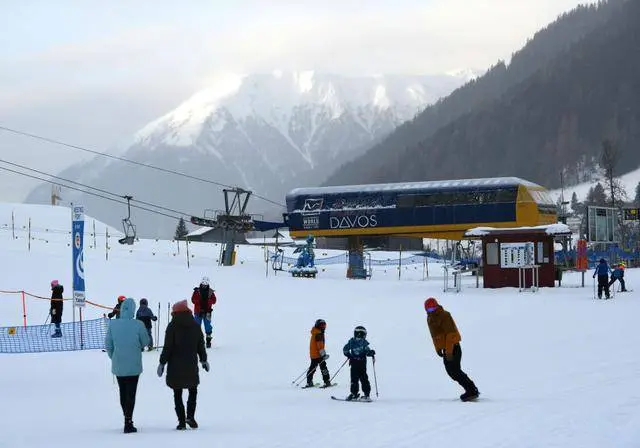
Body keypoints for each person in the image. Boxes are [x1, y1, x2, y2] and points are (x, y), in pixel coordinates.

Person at [157, 300, 209, 430]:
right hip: (191, 365)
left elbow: (167, 348)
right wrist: (203, 360)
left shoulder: (172, 326)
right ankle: (190, 416)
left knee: (177, 393)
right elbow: (200, 345)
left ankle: (181, 421)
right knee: (193, 391)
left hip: (175, 366)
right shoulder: (195, 326)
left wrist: (162, 363)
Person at [105, 298, 150, 434]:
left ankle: (126, 417)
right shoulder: (138, 324)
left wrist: (113, 356)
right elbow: (145, 341)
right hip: (134, 365)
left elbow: (108, 344)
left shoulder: (113, 325)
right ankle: (128, 420)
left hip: (119, 365)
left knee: (123, 392)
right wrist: (137, 347)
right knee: (131, 393)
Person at [425, 297, 479, 402]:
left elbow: (450, 334)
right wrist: (438, 348)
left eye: (432, 309)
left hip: (453, 346)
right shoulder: (430, 319)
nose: (431, 311)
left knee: (455, 371)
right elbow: (435, 335)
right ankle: (471, 389)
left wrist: (449, 351)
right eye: (428, 310)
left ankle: (471, 390)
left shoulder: (444, 315)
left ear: (436, 306)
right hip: (445, 349)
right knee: (451, 372)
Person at [342, 325, 375, 401]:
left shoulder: (352, 342)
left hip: (355, 363)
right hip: (361, 363)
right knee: (363, 378)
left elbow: (345, 349)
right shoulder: (363, 343)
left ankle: (355, 394)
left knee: (354, 379)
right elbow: (367, 352)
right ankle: (365, 394)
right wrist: (371, 353)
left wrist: (349, 355)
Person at [191, 277, 217, 348]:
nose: (204, 286)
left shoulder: (211, 292)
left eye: (205, 285)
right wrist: (199, 302)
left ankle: (208, 340)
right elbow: (193, 300)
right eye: (203, 285)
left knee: (208, 326)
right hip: (198, 312)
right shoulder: (197, 291)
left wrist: (209, 301)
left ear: (208, 284)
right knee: (196, 326)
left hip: (208, 312)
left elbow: (214, 300)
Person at [306, 319, 332, 388]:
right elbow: (320, 346)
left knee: (312, 368)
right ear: (318, 326)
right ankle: (327, 381)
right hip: (318, 355)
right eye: (321, 325)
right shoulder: (318, 334)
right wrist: (323, 355)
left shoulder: (316, 332)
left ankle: (309, 381)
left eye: (324, 325)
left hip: (314, 354)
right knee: (323, 368)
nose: (323, 327)